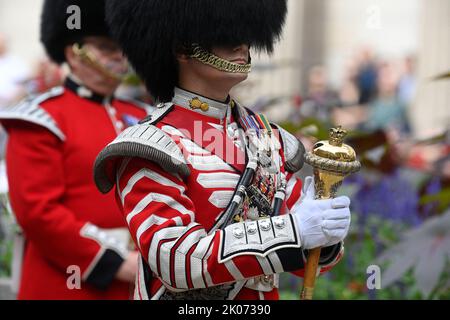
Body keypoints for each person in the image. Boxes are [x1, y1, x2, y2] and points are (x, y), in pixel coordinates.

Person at [94, 0, 351, 300]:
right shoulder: (151, 145)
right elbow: (176, 260)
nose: (242, 45)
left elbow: (305, 258)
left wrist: (324, 233)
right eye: (225, 37)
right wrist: (292, 231)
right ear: (182, 49)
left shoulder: (267, 136)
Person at [0, 0, 151, 299]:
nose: (119, 55)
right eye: (106, 47)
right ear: (74, 51)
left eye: (121, 45)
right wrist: (114, 262)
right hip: (68, 282)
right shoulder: (42, 117)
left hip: (139, 280)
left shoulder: (141, 115)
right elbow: (38, 213)